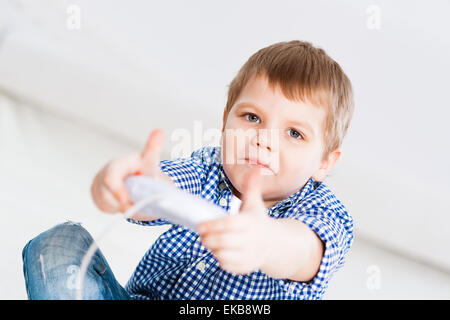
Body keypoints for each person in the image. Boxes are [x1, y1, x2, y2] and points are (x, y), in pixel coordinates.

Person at [22, 40, 354, 299]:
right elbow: (171, 185)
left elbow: (305, 253)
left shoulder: (324, 214)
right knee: (58, 244)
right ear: (225, 121)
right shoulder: (209, 168)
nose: (264, 140)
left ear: (324, 162)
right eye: (252, 118)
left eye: (294, 133)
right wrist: (136, 186)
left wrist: (264, 241)